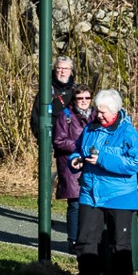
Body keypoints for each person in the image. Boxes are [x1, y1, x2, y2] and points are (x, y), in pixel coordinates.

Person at [70, 89, 138, 275]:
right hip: (90, 193)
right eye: (97, 111)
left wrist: (102, 159)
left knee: (119, 243)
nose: (98, 116)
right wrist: (75, 161)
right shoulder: (90, 128)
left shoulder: (128, 132)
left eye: (103, 113)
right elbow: (77, 149)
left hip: (119, 195)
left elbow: (133, 164)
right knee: (85, 241)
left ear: (116, 111)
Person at [53, 84, 94, 247]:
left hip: (91, 165)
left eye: (87, 98)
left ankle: (87, 238)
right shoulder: (66, 116)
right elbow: (59, 140)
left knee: (90, 203)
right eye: (80, 98)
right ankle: (73, 239)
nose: (84, 101)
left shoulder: (96, 115)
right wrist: (81, 147)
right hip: (72, 165)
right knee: (75, 202)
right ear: (74, 99)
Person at [30, 56, 77, 138]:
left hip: (72, 140)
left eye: (66, 69)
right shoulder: (47, 90)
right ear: (55, 69)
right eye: (60, 68)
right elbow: (36, 116)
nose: (63, 72)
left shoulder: (76, 90)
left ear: (71, 71)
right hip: (52, 139)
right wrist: (42, 138)